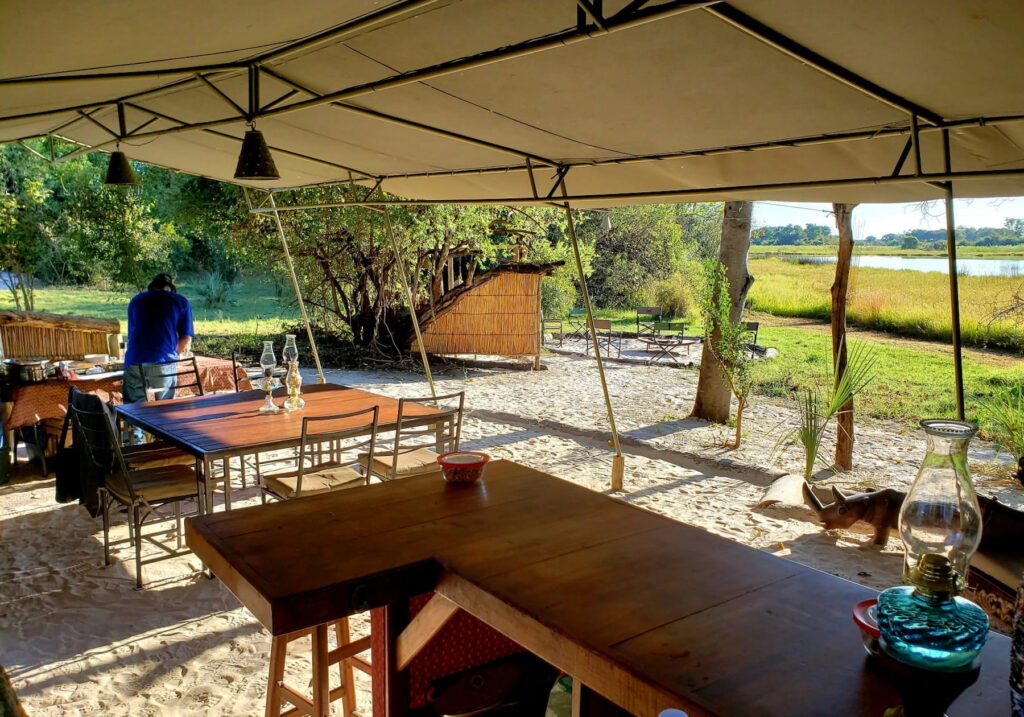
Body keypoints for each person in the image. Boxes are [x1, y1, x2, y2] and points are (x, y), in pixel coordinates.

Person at [123, 273, 194, 404]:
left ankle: (136, 425)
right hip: (163, 361)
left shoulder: (136, 300)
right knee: (164, 410)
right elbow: (185, 337)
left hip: (134, 360)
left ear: (152, 287)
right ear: (171, 288)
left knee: (135, 411)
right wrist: (174, 354)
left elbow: (132, 333)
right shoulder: (180, 301)